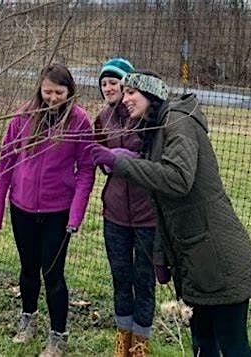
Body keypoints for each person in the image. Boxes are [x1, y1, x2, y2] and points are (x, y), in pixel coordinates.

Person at [87, 71, 251, 357]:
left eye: (132, 92)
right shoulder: (155, 129)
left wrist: (119, 162)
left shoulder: (177, 121)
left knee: (232, 346)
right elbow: (162, 205)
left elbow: (178, 178)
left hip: (216, 256)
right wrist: (161, 256)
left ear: (151, 95)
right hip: (193, 259)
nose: (125, 99)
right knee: (202, 343)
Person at [0, 63, 95, 357]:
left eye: (59, 92)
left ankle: (58, 336)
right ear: (39, 89)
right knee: (27, 269)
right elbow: (6, 162)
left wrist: (75, 215)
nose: (53, 98)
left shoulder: (79, 122)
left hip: (57, 212)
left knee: (53, 274)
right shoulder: (23, 117)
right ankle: (28, 318)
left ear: (69, 91)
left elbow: (86, 171)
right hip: (21, 208)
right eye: (47, 92)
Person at [94, 58, 156, 357]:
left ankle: (140, 345)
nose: (109, 88)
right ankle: (123, 341)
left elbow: (155, 160)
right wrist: (105, 162)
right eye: (104, 84)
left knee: (143, 279)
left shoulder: (144, 116)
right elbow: (95, 151)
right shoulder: (102, 118)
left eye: (114, 83)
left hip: (146, 214)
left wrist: (121, 159)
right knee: (121, 277)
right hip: (115, 212)